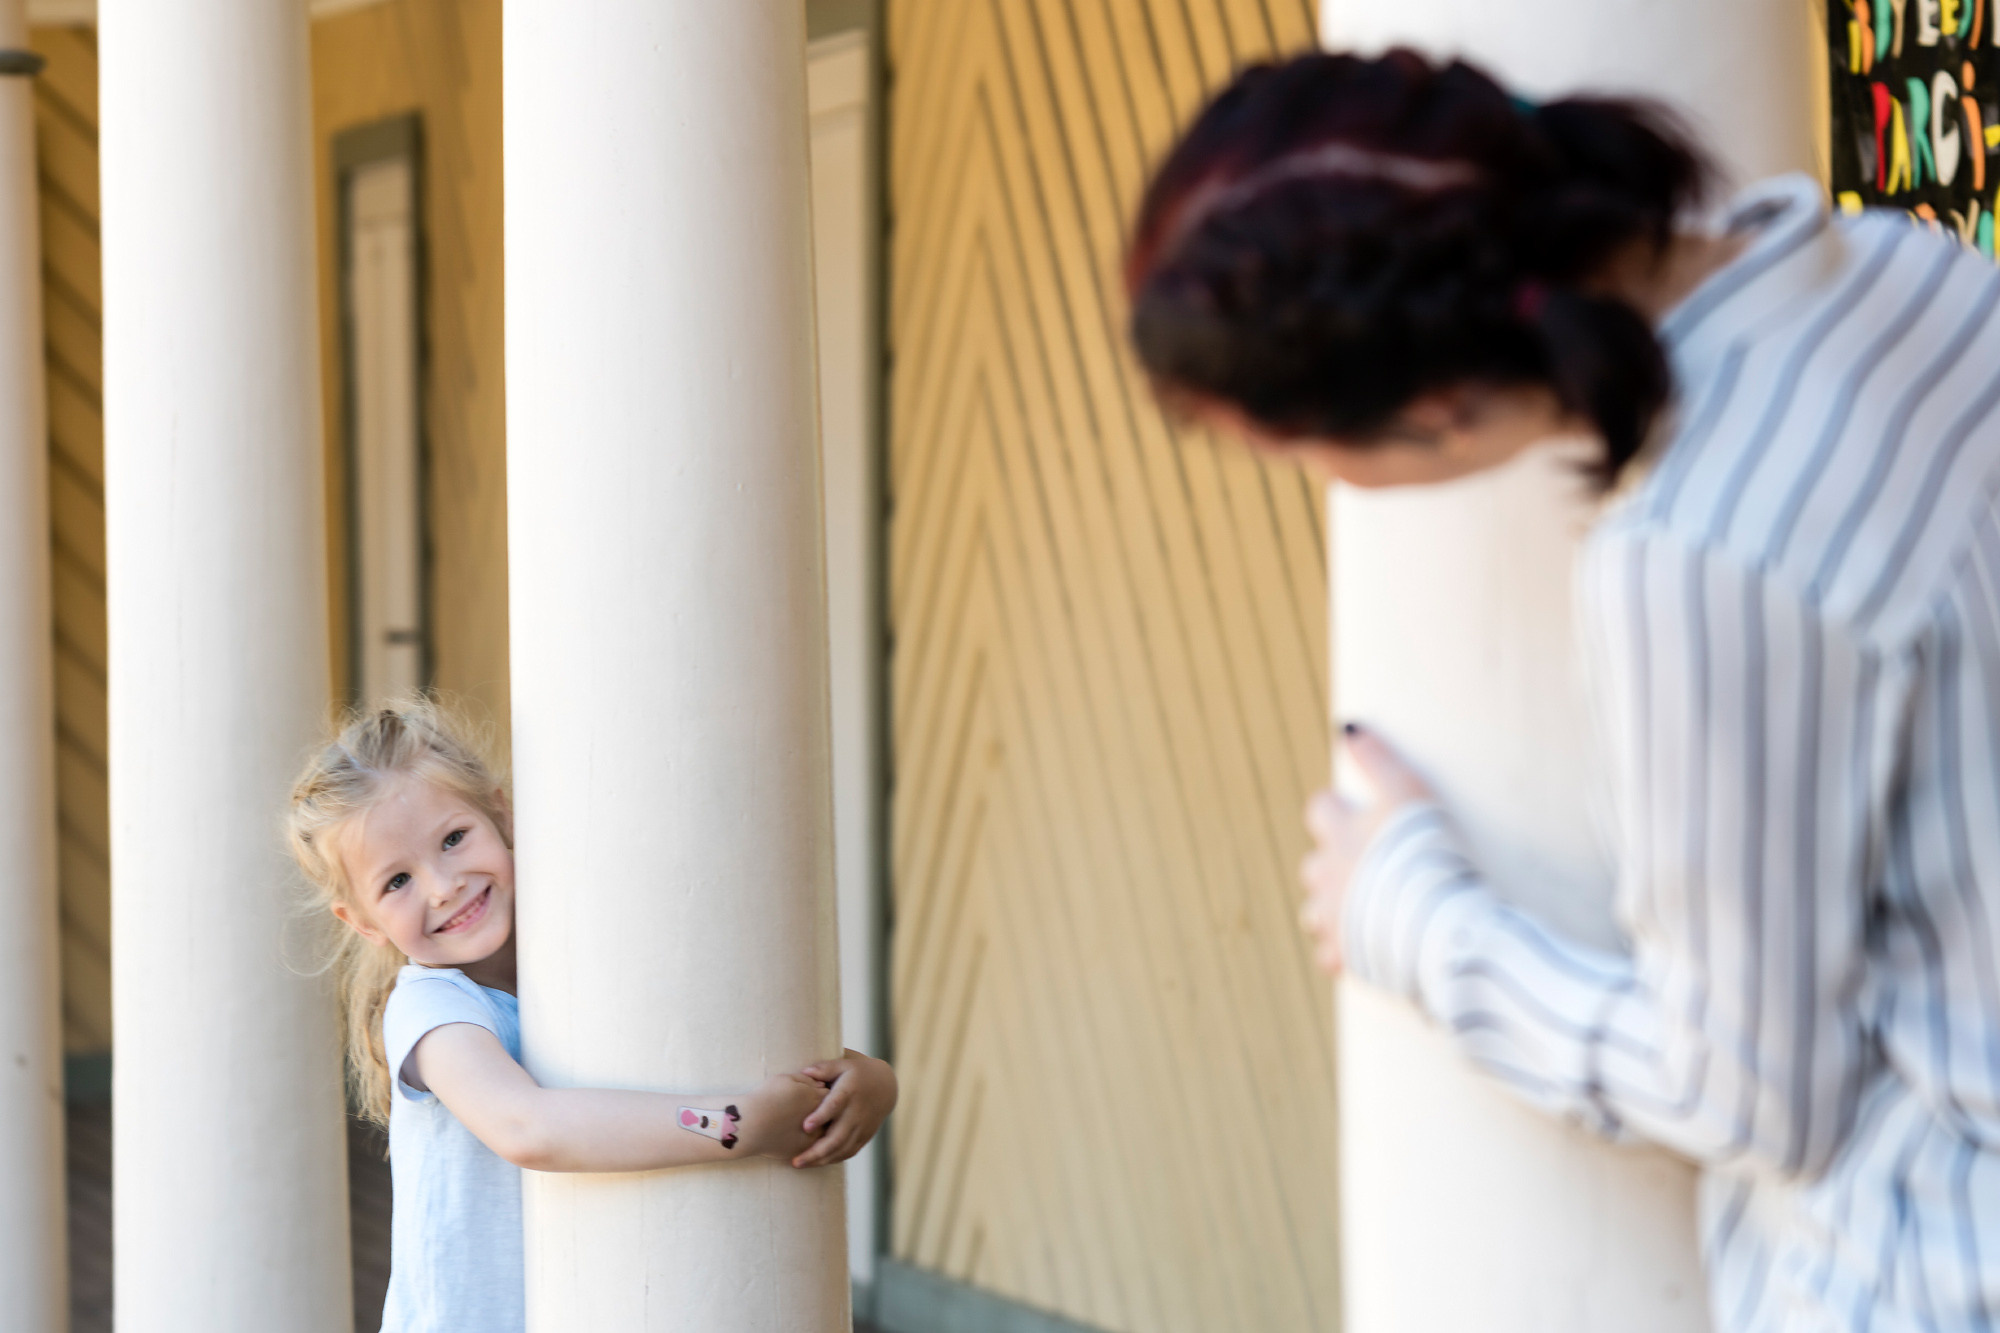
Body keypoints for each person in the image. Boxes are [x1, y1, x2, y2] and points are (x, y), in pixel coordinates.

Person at [1125, 47, 2000, 1333]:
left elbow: (1749, 1093)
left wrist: (1411, 916)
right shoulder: (1906, 271)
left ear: (1430, 411)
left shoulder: (1698, 560)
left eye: (1293, 451)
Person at [287, 699, 896, 1333]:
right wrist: (735, 1125)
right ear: (360, 921)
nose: (443, 886)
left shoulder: (578, 966)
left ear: (501, 813)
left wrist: (871, 1080)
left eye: (453, 838)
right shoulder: (431, 1007)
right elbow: (527, 1128)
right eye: (397, 882)